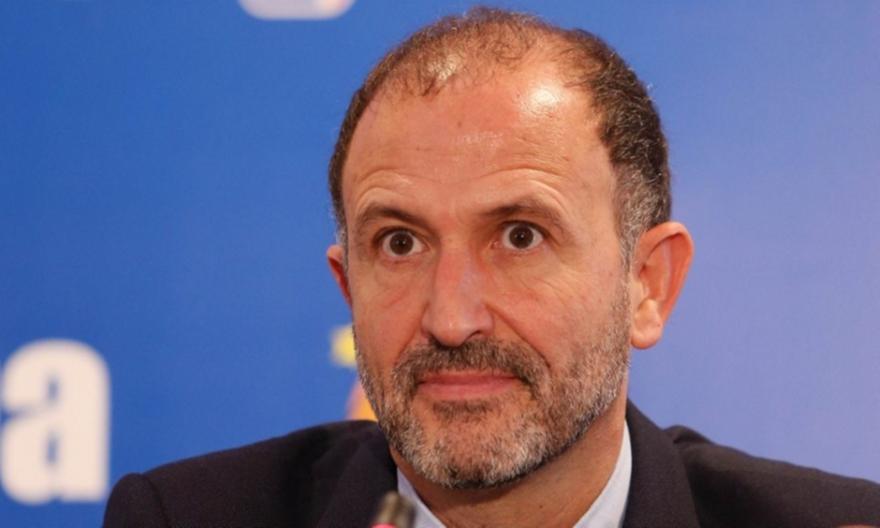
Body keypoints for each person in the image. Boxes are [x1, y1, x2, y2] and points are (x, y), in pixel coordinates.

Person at [103, 7, 880, 528]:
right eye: (400, 243)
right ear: (348, 286)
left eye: (519, 236)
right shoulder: (185, 517)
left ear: (648, 284)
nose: (451, 317)